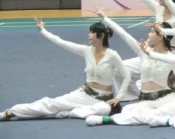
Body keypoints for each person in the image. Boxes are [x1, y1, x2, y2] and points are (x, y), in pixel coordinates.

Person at [0, 17, 130, 121]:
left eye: (92, 32)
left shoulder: (112, 55)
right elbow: (60, 42)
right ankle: (10, 112)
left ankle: (68, 112)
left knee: (101, 110)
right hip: (84, 94)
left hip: (103, 100)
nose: (89, 35)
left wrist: (118, 97)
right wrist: (43, 30)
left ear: (101, 36)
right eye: (89, 32)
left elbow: (126, 76)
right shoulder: (86, 51)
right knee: (51, 104)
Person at [85, 8, 175, 126]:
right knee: (128, 110)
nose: (148, 34)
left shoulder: (171, 58)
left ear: (161, 36)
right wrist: (105, 18)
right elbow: (124, 34)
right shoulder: (144, 51)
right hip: (146, 100)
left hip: (166, 99)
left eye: (152, 31)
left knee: (168, 109)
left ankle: (111, 119)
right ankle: (155, 118)